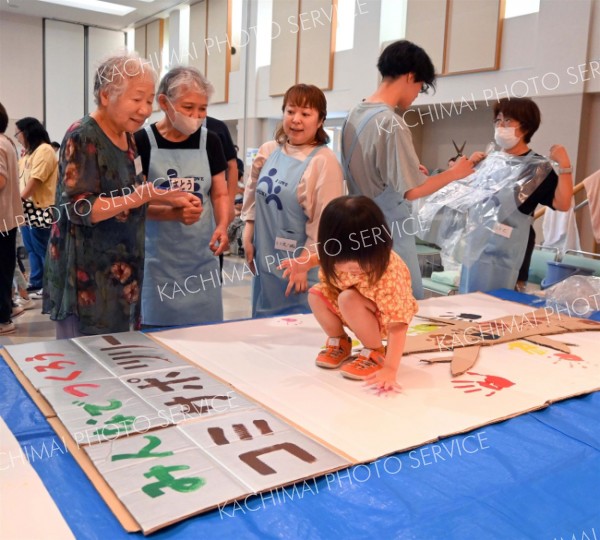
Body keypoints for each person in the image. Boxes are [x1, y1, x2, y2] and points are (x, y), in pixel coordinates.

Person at [43, 53, 198, 338]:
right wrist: (143, 195)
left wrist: (171, 208)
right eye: (136, 99)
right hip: (86, 278)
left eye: (149, 100)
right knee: (87, 364)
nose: (145, 109)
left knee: (118, 359)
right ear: (105, 95)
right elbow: (81, 208)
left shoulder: (127, 137)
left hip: (121, 274)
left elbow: (128, 204)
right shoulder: (84, 135)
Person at [342, 40, 474, 300]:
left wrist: (407, 170)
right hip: (389, 233)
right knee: (401, 309)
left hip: (359, 229)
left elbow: (372, 169)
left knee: (366, 306)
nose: (416, 95)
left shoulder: (354, 114)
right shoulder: (391, 123)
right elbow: (413, 191)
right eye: (420, 87)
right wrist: (455, 173)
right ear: (411, 76)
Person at [280, 196, 418, 393]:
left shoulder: (389, 271)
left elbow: (398, 326)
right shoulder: (332, 253)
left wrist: (390, 368)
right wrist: (305, 263)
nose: (354, 268)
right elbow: (320, 256)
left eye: (363, 261)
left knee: (347, 298)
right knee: (316, 293)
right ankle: (340, 342)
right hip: (350, 309)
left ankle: (374, 351)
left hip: (382, 317)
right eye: (344, 260)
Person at [134, 66, 229, 327]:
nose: (196, 116)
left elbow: (220, 192)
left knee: (204, 336)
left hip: (201, 257)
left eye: (203, 109)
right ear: (164, 103)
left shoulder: (211, 142)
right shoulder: (141, 141)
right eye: (188, 108)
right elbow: (136, 201)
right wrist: (172, 211)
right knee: (157, 335)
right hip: (158, 260)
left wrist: (222, 225)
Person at [242, 83, 344, 318]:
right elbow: (252, 193)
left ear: (319, 121)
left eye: (306, 114)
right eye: (290, 111)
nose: (296, 119)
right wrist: (248, 231)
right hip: (265, 261)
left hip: (301, 270)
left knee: (294, 331)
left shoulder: (323, 161)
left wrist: (304, 264)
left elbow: (324, 224)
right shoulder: (269, 150)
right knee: (262, 325)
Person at [459, 97, 573, 293]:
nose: (501, 126)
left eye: (508, 120)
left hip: (507, 257)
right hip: (476, 252)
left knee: (497, 314)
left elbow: (562, 204)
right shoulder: (489, 161)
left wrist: (565, 166)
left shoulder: (537, 169)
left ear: (526, 127)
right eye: (498, 120)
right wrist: (466, 170)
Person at [15, 117, 58, 295]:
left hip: (41, 208)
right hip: (27, 208)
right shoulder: (29, 153)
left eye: (17, 133)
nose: (17, 137)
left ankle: (51, 285)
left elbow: (36, 180)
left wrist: (18, 201)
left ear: (26, 132)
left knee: (44, 248)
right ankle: (37, 281)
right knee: (32, 248)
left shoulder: (44, 150)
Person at [0, 102, 24, 335]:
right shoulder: (6, 142)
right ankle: (6, 313)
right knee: (5, 269)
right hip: (7, 220)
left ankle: (2, 318)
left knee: (3, 270)